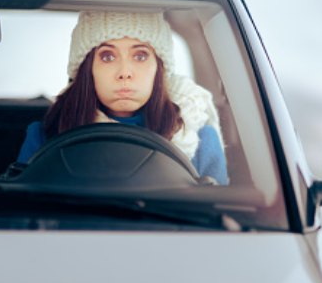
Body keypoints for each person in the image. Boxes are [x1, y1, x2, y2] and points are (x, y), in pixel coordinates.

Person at [16, 11, 228, 185]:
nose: (125, 72)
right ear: (87, 69)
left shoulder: (198, 138)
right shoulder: (45, 136)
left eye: (140, 56)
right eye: (108, 56)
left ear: (158, 69)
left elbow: (216, 219)